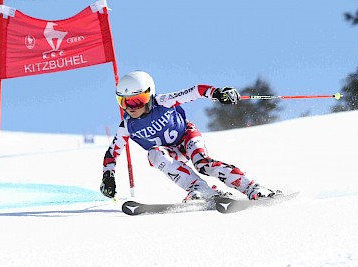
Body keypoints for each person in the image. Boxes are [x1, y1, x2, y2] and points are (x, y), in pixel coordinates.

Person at [100, 70, 278, 202]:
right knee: (154, 154)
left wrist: (217, 93)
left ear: (150, 94)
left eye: (137, 100)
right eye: (123, 101)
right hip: (170, 152)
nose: (131, 107)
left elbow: (195, 91)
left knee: (203, 164)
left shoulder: (163, 102)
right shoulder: (127, 126)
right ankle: (201, 190)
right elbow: (112, 153)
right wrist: (108, 176)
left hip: (186, 137)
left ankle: (252, 188)